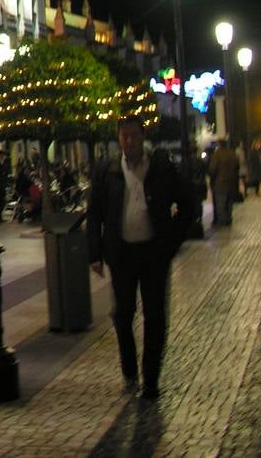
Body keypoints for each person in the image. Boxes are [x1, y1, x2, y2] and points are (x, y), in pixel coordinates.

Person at [87, 117, 197, 399]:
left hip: (153, 253)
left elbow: (188, 204)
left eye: (134, 135)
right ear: (118, 138)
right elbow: (95, 212)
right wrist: (95, 253)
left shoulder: (160, 167)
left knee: (155, 315)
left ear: (142, 135)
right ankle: (129, 371)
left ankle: (150, 379)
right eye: (124, 136)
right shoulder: (108, 169)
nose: (129, 141)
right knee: (122, 315)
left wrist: (171, 241)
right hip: (121, 253)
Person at [208, 139, 240, 227]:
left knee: (221, 203)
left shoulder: (217, 154)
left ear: (219, 145)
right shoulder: (232, 154)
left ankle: (222, 220)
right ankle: (228, 218)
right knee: (229, 202)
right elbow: (237, 167)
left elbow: (212, 169)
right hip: (231, 182)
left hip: (220, 182)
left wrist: (212, 176)